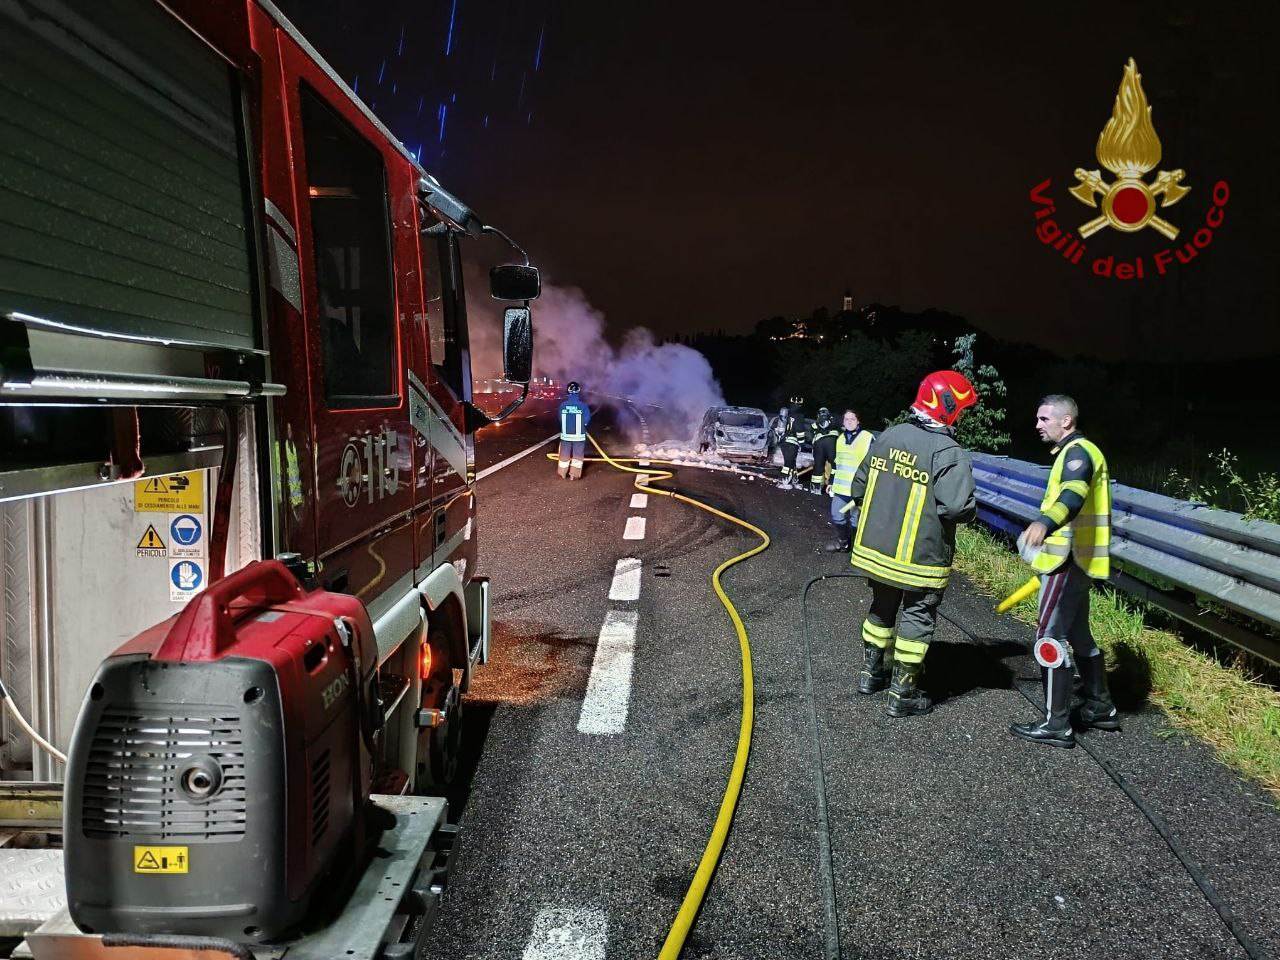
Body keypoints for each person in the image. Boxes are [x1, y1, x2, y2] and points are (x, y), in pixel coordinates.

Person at [847, 371, 977, 717]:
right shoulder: (948, 451)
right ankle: (902, 694)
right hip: (921, 557)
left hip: (876, 552)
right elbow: (958, 507)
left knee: (881, 609)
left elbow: (859, 487)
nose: (962, 416)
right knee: (917, 617)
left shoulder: (889, 435)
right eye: (961, 409)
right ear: (948, 407)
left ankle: (870, 675)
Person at [1010, 394, 1119, 747]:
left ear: (1066, 421)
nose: (1037, 425)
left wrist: (1044, 522)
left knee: (1048, 637)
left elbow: (1072, 496)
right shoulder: (1079, 451)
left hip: (1065, 561)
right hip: (1079, 560)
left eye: (1044, 419)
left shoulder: (1077, 453)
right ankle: (1101, 707)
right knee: (1079, 634)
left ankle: (1056, 723)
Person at [825, 409, 873, 551]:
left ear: (858, 421)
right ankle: (844, 543)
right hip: (841, 490)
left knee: (855, 520)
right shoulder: (840, 439)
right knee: (837, 515)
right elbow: (837, 463)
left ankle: (855, 549)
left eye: (852, 419)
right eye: (846, 419)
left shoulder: (868, 438)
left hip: (858, 490)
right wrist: (831, 482)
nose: (849, 422)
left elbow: (874, 464)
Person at [557, 381, 590, 480]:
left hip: (566, 436)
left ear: (568, 391)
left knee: (564, 455)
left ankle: (562, 473)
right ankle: (573, 475)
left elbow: (560, 418)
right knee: (578, 456)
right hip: (579, 436)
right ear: (579, 391)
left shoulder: (562, 405)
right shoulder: (583, 405)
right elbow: (587, 419)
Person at [809, 407, 840, 496]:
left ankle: (816, 488)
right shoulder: (835, 421)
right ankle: (832, 487)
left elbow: (811, 436)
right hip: (832, 443)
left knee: (818, 465)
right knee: (835, 465)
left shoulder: (814, 424)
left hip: (819, 444)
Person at [778, 402, 804, 490]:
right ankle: (784, 482)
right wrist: (802, 443)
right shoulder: (799, 416)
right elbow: (799, 430)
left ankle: (793, 481)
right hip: (792, 443)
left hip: (784, 442)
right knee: (789, 463)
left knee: (791, 463)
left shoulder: (787, 414)